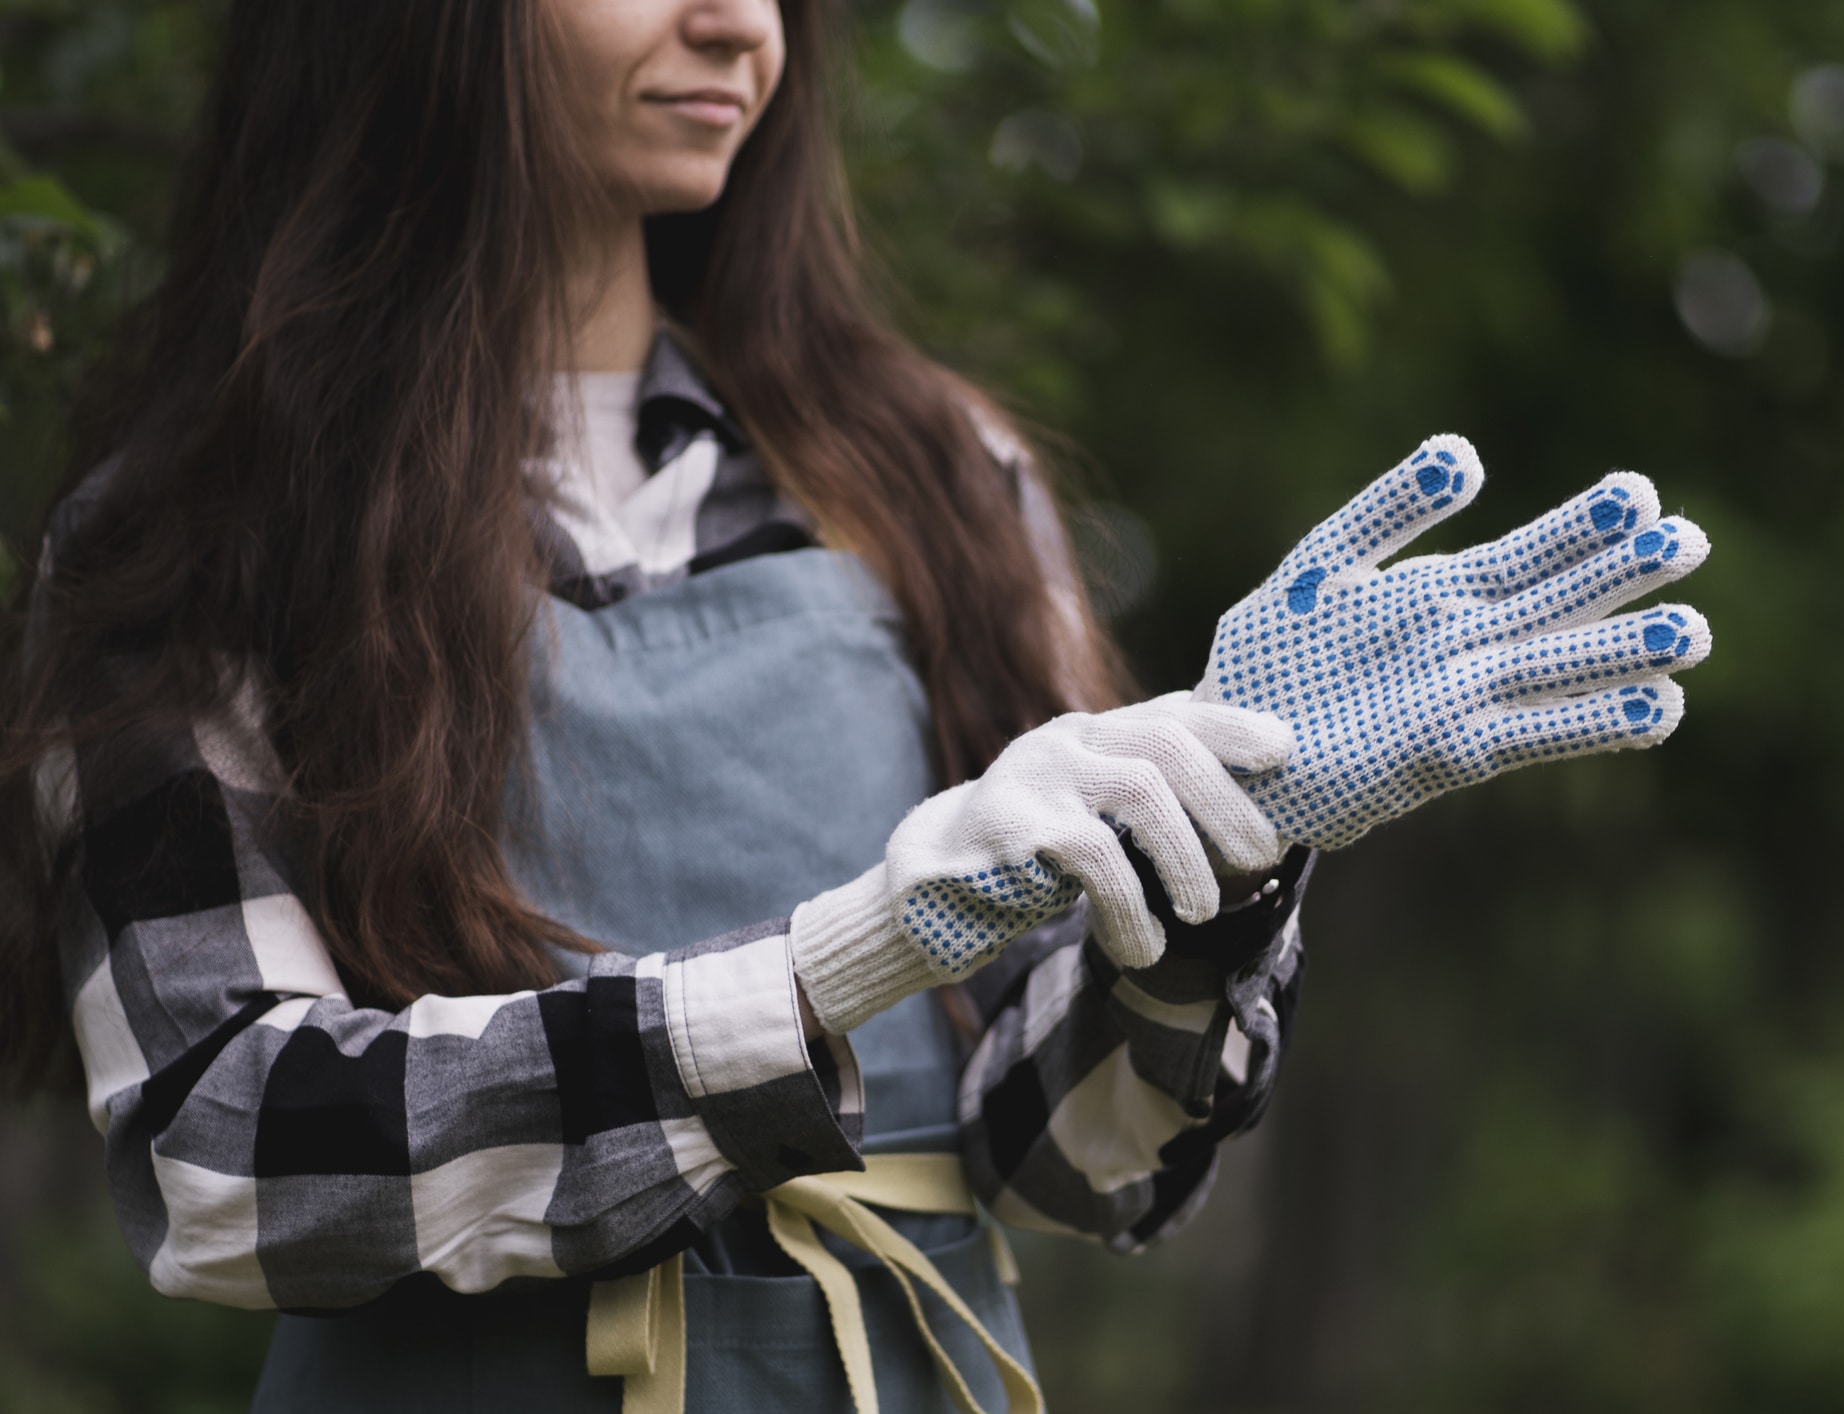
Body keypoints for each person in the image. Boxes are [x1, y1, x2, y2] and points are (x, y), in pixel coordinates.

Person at [0, 1, 1714, 1410]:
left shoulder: (931, 476)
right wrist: (829, 966)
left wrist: (1220, 868)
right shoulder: (197, 539)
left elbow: (1078, 1165)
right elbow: (227, 1156)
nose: (737, 24)